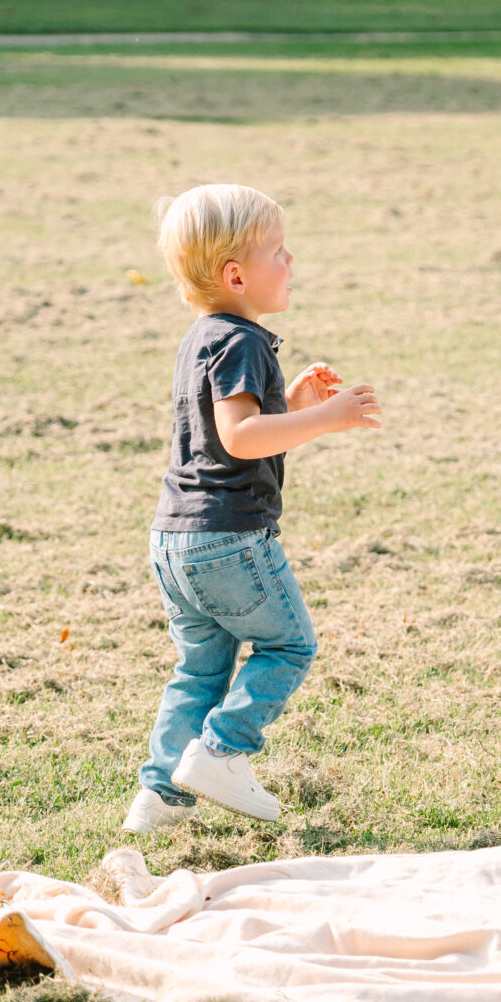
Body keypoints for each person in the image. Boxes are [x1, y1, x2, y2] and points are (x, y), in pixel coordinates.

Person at [125, 184, 383, 833]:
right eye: (278, 251)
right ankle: (222, 751)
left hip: (174, 537)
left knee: (199, 668)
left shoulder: (202, 338)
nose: (291, 259)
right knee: (290, 644)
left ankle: (159, 798)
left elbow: (228, 433)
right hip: (231, 538)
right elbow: (240, 439)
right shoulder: (242, 342)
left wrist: (289, 405)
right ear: (235, 274)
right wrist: (325, 417)